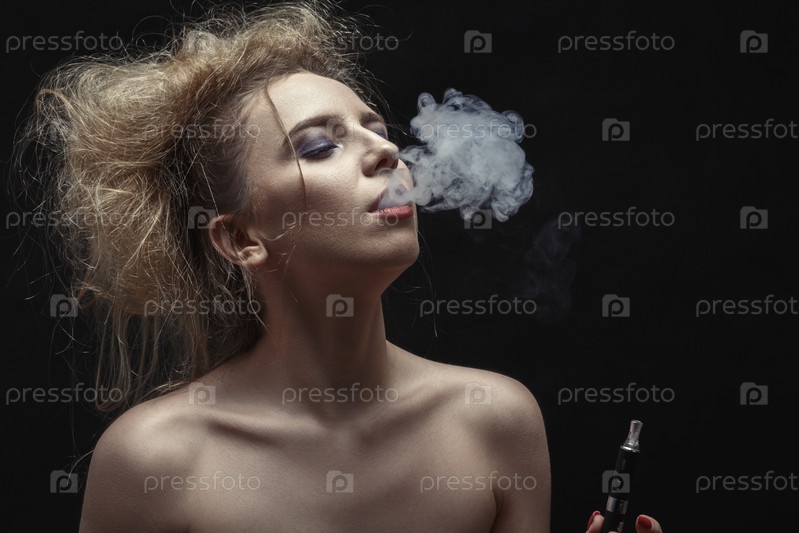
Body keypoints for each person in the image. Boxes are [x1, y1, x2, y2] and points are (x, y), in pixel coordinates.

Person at [16, 1, 664, 531]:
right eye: (320, 146)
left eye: (374, 128)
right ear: (241, 237)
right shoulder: (155, 460)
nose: (386, 151)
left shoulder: (494, 421)